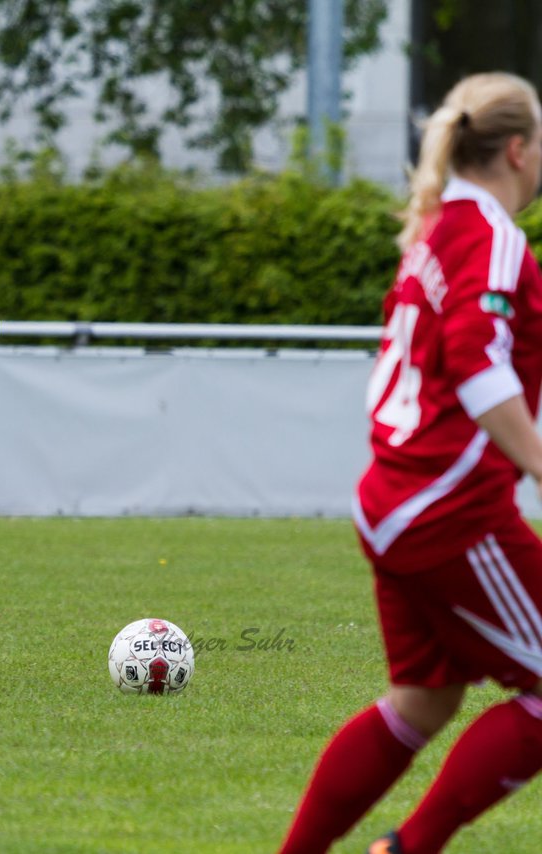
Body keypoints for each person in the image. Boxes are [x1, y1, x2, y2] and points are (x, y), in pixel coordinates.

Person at [279, 72, 542, 853]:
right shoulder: (489, 235)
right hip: (447, 511)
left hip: (396, 498)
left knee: (424, 699)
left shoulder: (439, 228)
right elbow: (476, 361)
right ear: (519, 150)